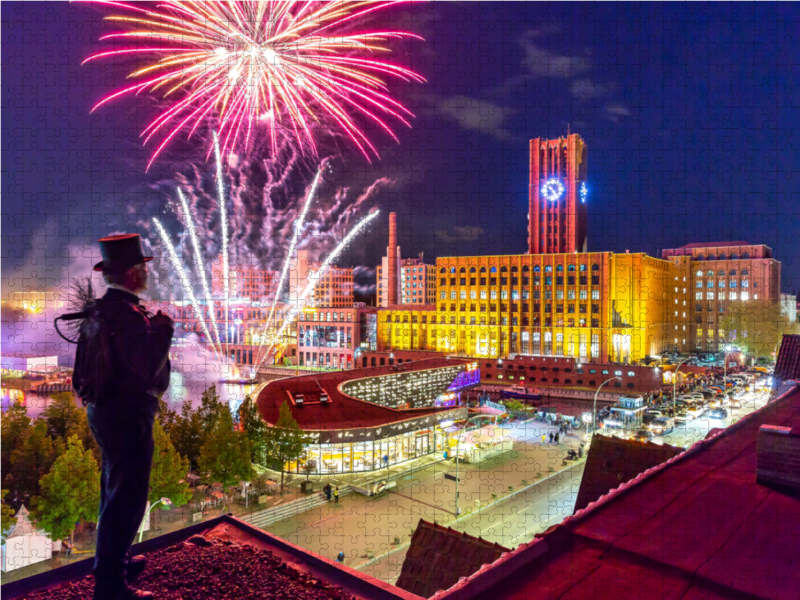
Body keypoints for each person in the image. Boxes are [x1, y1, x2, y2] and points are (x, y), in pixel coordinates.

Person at [73, 234, 174, 600]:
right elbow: (148, 367)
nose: (147, 273)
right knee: (127, 497)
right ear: (133, 275)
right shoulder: (130, 317)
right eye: (142, 268)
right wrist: (163, 330)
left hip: (104, 414)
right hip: (128, 417)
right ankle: (111, 587)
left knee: (112, 491)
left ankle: (114, 562)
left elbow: (79, 375)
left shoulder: (98, 312)